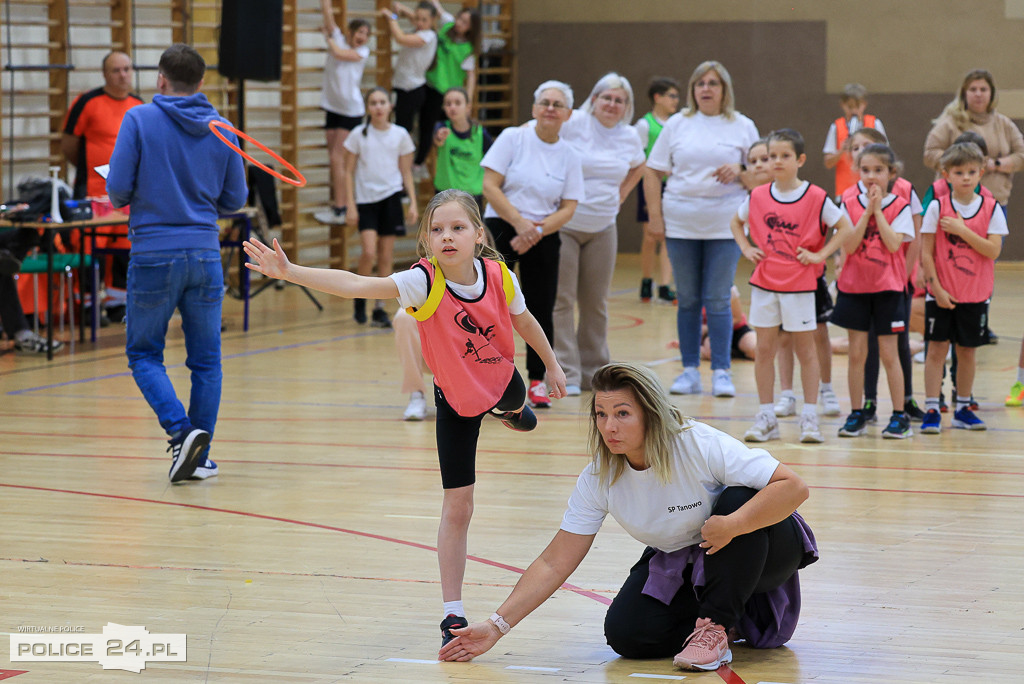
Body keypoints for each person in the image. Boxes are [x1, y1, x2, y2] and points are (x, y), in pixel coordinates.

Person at [242, 189, 568, 647]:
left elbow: (526, 321)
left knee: (516, 406)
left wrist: (551, 364)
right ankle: (451, 611)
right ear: (427, 240)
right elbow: (357, 283)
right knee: (459, 507)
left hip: (499, 380)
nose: (446, 236)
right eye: (436, 230)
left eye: (457, 228)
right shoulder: (424, 282)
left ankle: (510, 411)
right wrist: (291, 272)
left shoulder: (499, 275)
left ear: (478, 234)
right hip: (454, 401)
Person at [437, 362, 816, 672]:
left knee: (738, 498)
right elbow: (555, 561)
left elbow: (794, 487)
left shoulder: (697, 443)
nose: (609, 427)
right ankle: (732, 615)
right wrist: (496, 626)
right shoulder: (599, 476)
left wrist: (733, 524)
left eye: (622, 414)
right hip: (685, 559)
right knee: (629, 635)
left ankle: (715, 627)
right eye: (601, 414)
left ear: (650, 415)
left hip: (764, 546)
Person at [106, 43, 247, 483]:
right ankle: (199, 456)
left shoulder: (139, 119)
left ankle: (181, 433)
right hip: (205, 253)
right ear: (201, 84)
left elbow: (118, 192)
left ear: (160, 80)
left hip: (153, 254)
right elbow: (235, 200)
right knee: (207, 362)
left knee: (144, 354)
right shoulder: (223, 128)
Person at [643, 61, 759, 398]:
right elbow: (653, 171)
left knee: (719, 298)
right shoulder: (678, 124)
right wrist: (655, 217)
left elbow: (759, 176)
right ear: (693, 90)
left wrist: (739, 169)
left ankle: (722, 371)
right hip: (681, 223)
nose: (706, 89)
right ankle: (690, 370)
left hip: (726, 224)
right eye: (700, 83)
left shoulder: (742, 125)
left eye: (713, 83)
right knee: (689, 299)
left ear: (725, 90)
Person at [730, 129, 852, 444]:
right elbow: (735, 222)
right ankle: (766, 416)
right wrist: (746, 248)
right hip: (765, 283)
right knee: (765, 350)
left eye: (785, 156)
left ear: (799, 159)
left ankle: (809, 417)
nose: (777, 161)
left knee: (805, 349)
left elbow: (845, 226)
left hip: (800, 284)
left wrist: (821, 255)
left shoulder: (815, 196)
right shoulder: (756, 196)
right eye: (772, 156)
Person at [481, 80, 584, 408]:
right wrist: (520, 224)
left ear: (567, 114)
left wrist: (535, 232)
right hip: (502, 226)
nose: (550, 109)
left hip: (543, 233)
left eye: (557, 104)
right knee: (492, 306)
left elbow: (569, 207)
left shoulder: (569, 155)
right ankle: (491, 379)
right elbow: (490, 186)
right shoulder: (513, 138)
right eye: (545, 103)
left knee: (540, 306)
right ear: (534, 109)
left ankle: (539, 380)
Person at [554, 73, 646, 396]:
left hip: (603, 226)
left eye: (619, 100)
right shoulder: (574, 122)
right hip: (564, 225)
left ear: (626, 107)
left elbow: (639, 166)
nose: (611, 104)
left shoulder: (630, 137)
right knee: (561, 300)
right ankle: (565, 369)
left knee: (596, 303)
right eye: (606, 97)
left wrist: (620, 196)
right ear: (593, 99)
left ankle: (593, 371)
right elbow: (538, 137)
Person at [839, 128, 926, 423]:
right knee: (856, 354)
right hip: (854, 288)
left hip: (887, 288)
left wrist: (877, 211)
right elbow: (849, 245)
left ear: (891, 173)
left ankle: (900, 414)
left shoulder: (900, 205)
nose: (872, 176)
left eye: (878, 170)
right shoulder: (848, 203)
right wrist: (866, 212)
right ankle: (857, 412)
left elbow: (893, 244)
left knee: (891, 354)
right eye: (865, 170)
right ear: (857, 172)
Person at [920, 142, 1005, 434]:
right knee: (936, 350)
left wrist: (962, 230)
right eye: (959, 172)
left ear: (981, 172)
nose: (966, 177)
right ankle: (932, 407)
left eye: (971, 171)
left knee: (967, 352)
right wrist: (937, 289)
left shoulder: (992, 208)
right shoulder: (936, 207)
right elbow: (926, 253)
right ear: (946, 174)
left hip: (975, 294)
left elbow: (993, 251)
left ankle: (963, 407)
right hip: (942, 293)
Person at [62, 51, 144, 318]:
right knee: (87, 250)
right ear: (105, 74)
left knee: (123, 248)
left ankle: (116, 304)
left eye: (127, 69)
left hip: (127, 195)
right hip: (93, 193)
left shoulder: (139, 105)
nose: (123, 75)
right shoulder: (87, 102)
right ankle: (86, 306)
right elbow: (69, 145)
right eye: (116, 70)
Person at [343, 87, 418, 327]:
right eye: (373, 102)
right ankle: (358, 296)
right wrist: (350, 206)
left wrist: (413, 203)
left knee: (386, 256)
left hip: (391, 198)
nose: (378, 107)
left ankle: (378, 307)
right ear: (368, 108)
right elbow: (347, 171)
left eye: (382, 102)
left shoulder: (400, 135)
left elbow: (406, 171)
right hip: (366, 201)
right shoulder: (358, 135)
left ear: (390, 106)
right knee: (368, 252)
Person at [923, 69, 1024, 210]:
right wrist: (961, 163)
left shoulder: (1004, 124)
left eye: (983, 89)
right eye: (973, 89)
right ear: (964, 94)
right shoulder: (949, 123)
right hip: (954, 202)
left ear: (992, 94)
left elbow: (1021, 154)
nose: (978, 94)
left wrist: (996, 164)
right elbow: (930, 154)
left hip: (995, 202)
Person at [314, 0, 371, 225]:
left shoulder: (362, 52)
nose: (363, 37)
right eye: (359, 32)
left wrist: (327, 38)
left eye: (367, 33)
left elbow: (338, 53)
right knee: (333, 159)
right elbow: (328, 14)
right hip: (332, 108)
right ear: (350, 32)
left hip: (350, 111)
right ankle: (339, 204)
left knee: (339, 159)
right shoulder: (338, 37)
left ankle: (342, 207)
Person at [418, 0, 480, 169]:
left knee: (441, 132)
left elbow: (471, 76)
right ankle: (420, 162)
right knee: (424, 127)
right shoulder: (447, 26)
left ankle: (433, 165)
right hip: (429, 84)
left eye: (465, 22)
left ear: (471, 28)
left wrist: (468, 101)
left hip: (447, 94)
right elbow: (437, 7)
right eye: (460, 18)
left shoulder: (468, 49)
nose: (459, 23)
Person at [635, 77, 681, 304]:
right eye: (672, 95)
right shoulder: (645, 125)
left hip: (671, 186)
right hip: (650, 184)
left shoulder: (676, 124)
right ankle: (646, 280)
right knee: (650, 236)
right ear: (657, 97)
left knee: (669, 235)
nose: (676, 101)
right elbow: (637, 157)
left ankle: (664, 284)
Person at [380, 1, 438, 177]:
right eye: (417, 18)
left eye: (424, 19)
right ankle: (401, 174)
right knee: (399, 132)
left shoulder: (428, 35)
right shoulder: (423, 29)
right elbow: (415, 17)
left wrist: (392, 18)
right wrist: (400, 10)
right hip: (402, 88)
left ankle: (406, 174)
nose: (419, 22)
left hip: (412, 90)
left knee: (403, 135)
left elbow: (400, 38)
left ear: (432, 21)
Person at [432, 87, 493, 210]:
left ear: (468, 107)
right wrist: (439, 138)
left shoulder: (480, 134)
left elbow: (494, 160)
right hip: (445, 195)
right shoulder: (442, 127)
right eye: (448, 104)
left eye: (457, 103)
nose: (452, 107)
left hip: (472, 195)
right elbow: (437, 140)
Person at [822, 83, 886, 199]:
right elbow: (828, 163)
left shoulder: (875, 124)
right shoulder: (836, 127)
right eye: (850, 107)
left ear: (864, 104)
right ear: (842, 105)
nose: (854, 110)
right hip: (845, 192)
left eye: (858, 106)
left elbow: (887, 156)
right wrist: (841, 151)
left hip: (873, 189)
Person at [701, 286, 755, 362]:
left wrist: (709, 327)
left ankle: (734, 350)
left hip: (736, 328)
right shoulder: (693, 291)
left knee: (756, 351)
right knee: (712, 354)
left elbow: (737, 318)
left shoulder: (727, 286)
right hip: (712, 333)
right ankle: (697, 348)